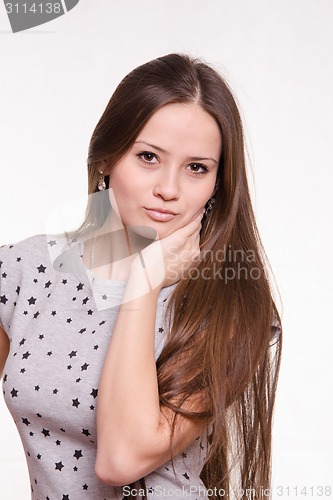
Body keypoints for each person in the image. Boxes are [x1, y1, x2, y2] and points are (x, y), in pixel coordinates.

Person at [0, 53, 282, 499]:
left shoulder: (230, 303)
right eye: (148, 156)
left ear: (217, 183)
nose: (169, 189)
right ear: (107, 157)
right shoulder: (23, 271)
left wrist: (145, 279)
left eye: (196, 168)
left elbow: (121, 459)